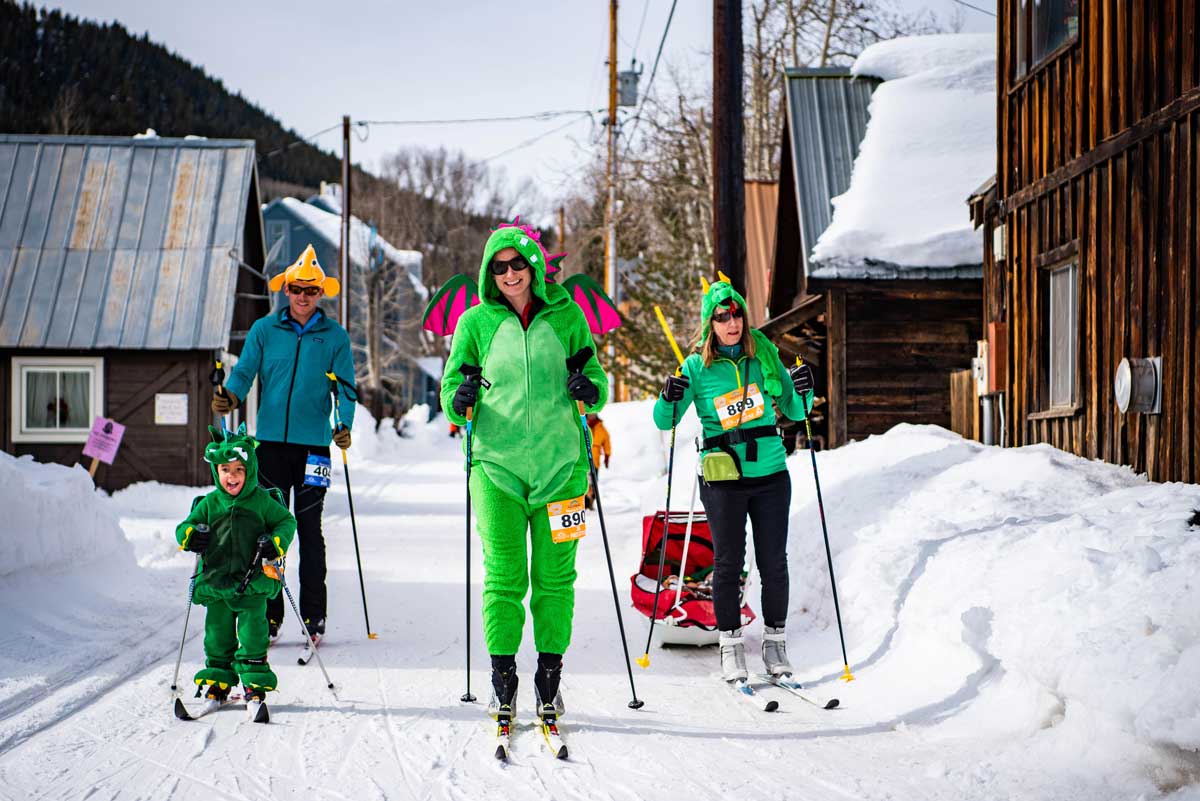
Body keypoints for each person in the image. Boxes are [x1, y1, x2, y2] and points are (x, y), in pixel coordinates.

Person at [440, 220, 607, 728]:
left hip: (564, 471)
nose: (510, 273)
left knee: (556, 581)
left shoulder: (568, 316)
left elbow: (597, 381)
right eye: (499, 266)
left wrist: (587, 385)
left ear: (533, 266)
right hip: (496, 469)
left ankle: (550, 681)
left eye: (518, 263)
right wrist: (458, 399)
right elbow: (449, 390)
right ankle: (503, 681)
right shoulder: (475, 324)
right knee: (505, 578)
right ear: (489, 272)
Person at [651, 279, 815, 683]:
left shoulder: (765, 355)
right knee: (729, 564)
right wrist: (668, 395)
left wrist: (804, 391)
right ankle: (731, 646)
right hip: (723, 477)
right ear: (711, 324)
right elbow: (664, 421)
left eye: (736, 313)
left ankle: (775, 643)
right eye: (721, 316)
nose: (731, 322)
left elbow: (795, 410)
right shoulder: (696, 367)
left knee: (774, 562)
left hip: (771, 472)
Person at [211, 244, 356, 643]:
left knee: (310, 528)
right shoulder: (264, 330)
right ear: (285, 290)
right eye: (297, 289)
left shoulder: (334, 337)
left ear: (320, 293)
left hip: (314, 449)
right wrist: (231, 396)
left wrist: (343, 424)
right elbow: (243, 373)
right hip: (270, 446)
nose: (304, 297)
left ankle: (314, 616)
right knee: (271, 531)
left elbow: (346, 390)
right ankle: (270, 614)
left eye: (311, 291)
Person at [175, 424, 297, 708]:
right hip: (217, 582)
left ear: (250, 471)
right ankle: (218, 680)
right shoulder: (209, 503)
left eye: (239, 470)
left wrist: (276, 542)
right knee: (217, 635)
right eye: (225, 470)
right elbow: (184, 527)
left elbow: (286, 521)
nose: (232, 477)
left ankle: (254, 683)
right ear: (217, 472)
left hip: (252, 582)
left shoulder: (261, 502)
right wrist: (191, 536)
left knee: (254, 634)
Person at [584, 413, 611, 510]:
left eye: (594, 414)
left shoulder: (600, 427)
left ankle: (592, 501)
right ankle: (584, 503)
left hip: (595, 460)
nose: (592, 416)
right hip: (584, 459)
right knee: (585, 482)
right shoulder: (583, 424)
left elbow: (607, 440)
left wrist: (607, 455)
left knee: (594, 482)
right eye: (590, 414)